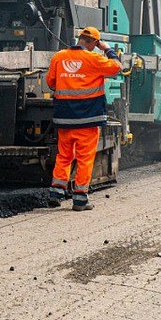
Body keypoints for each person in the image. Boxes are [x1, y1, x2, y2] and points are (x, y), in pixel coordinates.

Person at [46, 26, 122, 210]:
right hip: (87, 119)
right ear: (94, 43)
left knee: (64, 156)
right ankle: (80, 199)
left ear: (79, 38)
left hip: (65, 118)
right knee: (84, 158)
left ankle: (56, 192)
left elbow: (51, 82)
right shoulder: (95, 58)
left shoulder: (59, 57)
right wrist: (107, 49)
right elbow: (117, 67)